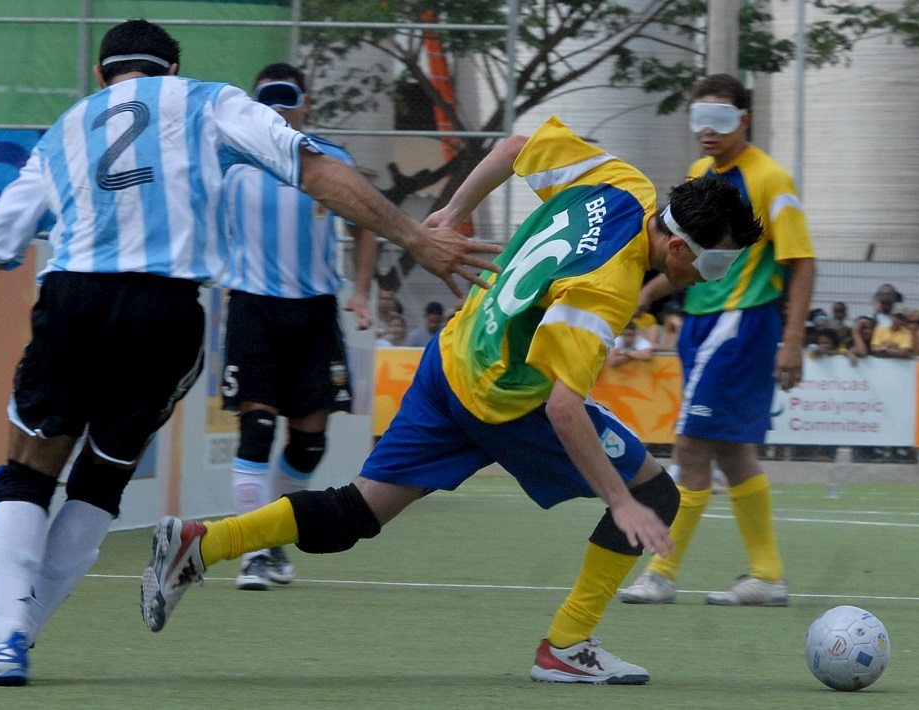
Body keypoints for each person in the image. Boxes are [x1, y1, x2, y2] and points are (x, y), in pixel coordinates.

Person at [0, 20, 500, 687]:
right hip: (168, 312)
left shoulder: (64, 129)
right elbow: (317, 169)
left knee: (25, 476)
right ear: (172, 69)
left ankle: (2, 640)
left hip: (75, 301)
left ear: (101, 76)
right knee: (101, 481)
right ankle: (17, 637)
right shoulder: (208, 100)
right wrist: (415, 237)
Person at [140, 115, 763, 685]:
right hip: (504, 398)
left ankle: (202, 541)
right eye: (720, 264)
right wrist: (620, 501)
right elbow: (563, 411)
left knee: (356, 513)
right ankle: (567, 646)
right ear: (681, 248)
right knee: (656, 494)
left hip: (454, 356)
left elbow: (516, 146)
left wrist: (451, 211)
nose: (719, 276)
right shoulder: (608, 287)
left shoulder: (621, 180)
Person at [620, 73, 815, 607]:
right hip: (701, 322)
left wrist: (792, 339)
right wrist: (646, 294)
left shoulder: (771, 179)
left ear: (745, 120)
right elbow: (685, 259)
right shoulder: (699, 174)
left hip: (741, 323)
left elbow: (802, 261)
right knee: (731, 451)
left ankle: (662, 572)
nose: (707, 130)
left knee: (689, 445)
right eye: (698, 117)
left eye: (721, 119)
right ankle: (768, 575)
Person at [218, 62, 378, 591]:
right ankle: (252, 549)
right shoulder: (228, 157)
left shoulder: (332, 160)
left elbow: (367, 227)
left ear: (306, 104)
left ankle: (273, 535)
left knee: (309, 444)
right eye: (268, 98)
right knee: (256, 429)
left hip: (314, 312)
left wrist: (359, 290)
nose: (279, 108)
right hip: (252, 307)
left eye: (288, 98)